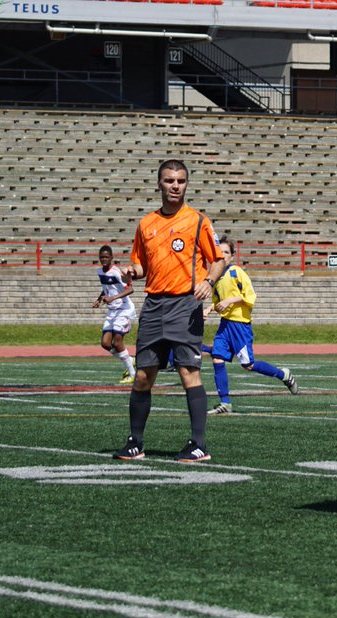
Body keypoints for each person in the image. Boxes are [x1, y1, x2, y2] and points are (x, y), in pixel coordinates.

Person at [113, 159, 225, 463]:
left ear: (186, 184)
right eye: (169, 180)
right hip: (153, 306)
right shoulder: (145, 224)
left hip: (185, 305)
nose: (175, 186)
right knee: (143, 375)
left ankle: (198, 444)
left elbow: (218, 259)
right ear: (159, 183)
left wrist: (209, 281)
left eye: (180, 181)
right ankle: (135, 443)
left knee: (189, 372)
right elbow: (141, 266)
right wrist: (131, 271)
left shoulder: (198, 221)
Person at [203, 235, 299, 414]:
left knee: (248, 365)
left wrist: (230, 300)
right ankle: (225, 403)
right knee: (217, 358)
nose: (223, 255)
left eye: (226, 252)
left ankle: (283, 375)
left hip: (240, 326)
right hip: (225, 325)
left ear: (232, 256)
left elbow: (250, 295)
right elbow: (218, 302)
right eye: (220, 252)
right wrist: (209, 309)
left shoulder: (237, 272)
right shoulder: (215, 278)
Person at [92, 244, 137, 384]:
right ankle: (130, 359)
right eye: (102, 257)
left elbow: (130, 290)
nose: (104, 259)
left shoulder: (116, 272)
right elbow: (107, 288)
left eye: (106, 257)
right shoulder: (100, 272)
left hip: (123, 309)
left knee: (117, 342)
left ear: (111, 257)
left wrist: (112, 298)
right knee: (105, 343)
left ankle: (133, 374)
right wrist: (99, 299)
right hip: (112, 311)